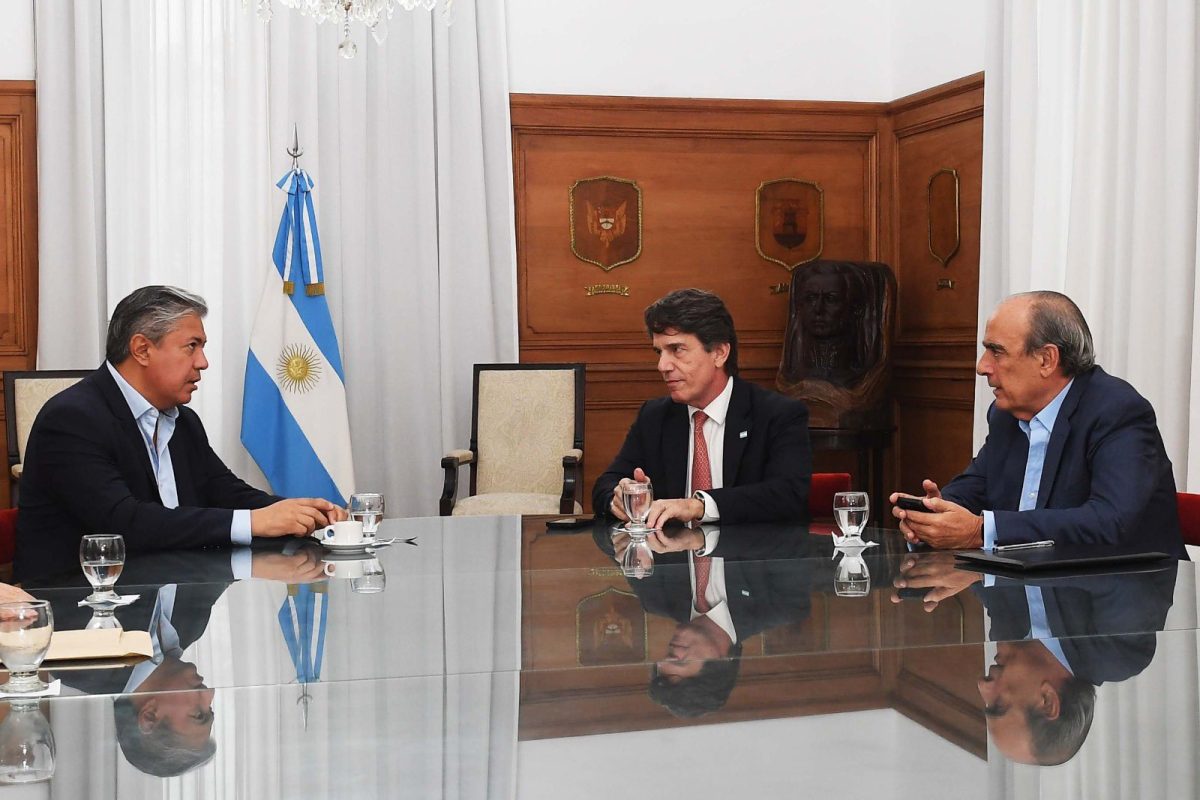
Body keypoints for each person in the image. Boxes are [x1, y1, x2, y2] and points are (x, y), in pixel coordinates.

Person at [15, 285, 346, 581]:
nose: (203, 362)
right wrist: (255, 522)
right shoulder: (72, 419)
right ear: (142, 349)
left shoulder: (183, 421)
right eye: (192, 346)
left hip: (169, 601)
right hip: (78, 612)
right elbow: (123, 522)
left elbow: (227, 493)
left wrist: (301, 514)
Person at [890, 291, 1185, 558]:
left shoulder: (1117, 411)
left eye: (997, 351)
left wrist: (981, 531)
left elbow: (1110, 521)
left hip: (1120, 599)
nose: (982, 367)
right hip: (1026, 593)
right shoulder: (1006, 414)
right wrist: (934, 515)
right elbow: (978, 484)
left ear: (1046, 359)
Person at [593, 288, 812, 529]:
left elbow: (788, 495)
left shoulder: (776, 414)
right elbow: (606, 485)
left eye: (676, 349)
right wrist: (620, 498)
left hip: (751, 561)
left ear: (719, 353)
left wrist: (698, 506)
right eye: (659, 352)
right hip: (672, 561)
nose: (662, 365)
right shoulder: (655, 417)